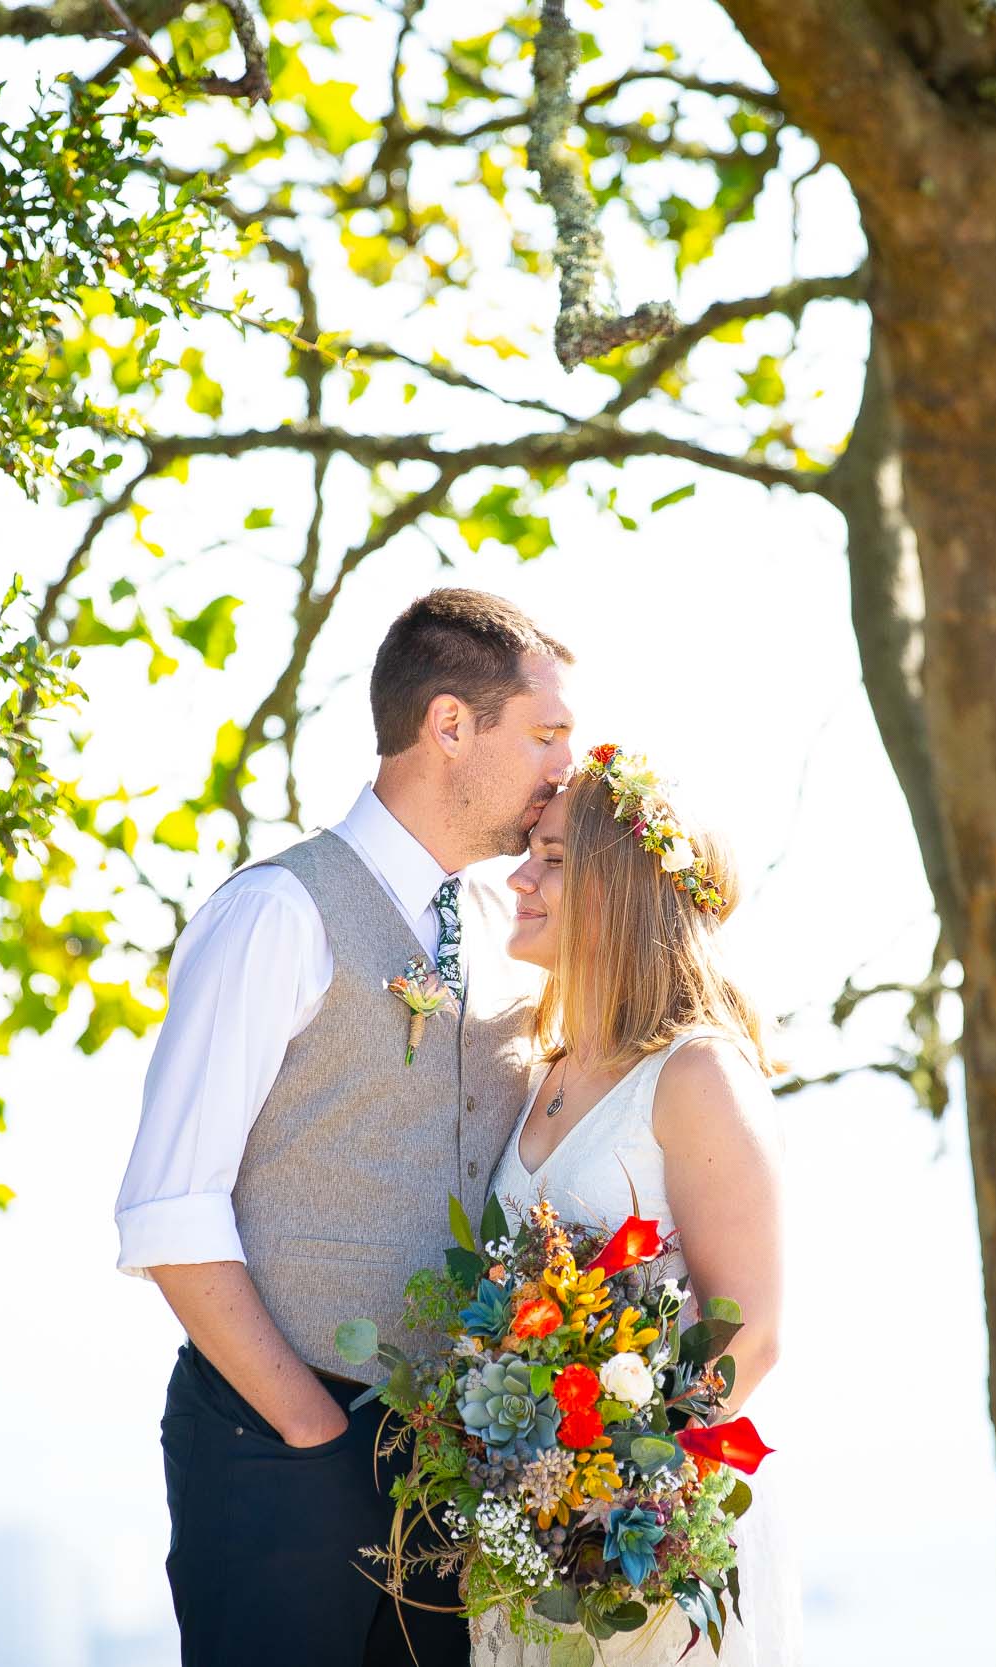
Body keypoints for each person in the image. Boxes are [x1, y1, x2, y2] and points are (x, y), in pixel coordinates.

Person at [114, 588, 576, 1667]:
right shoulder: (278, 910)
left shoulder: (496, 936)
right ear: (450, 725)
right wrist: (316, 1435)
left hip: (446, 1476)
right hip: (285, 1454)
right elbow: (167, 1208)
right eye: (546, 732)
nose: (565, 764)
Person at [479, 743, 802, 1665]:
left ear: (617, 887)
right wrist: (535, 1494)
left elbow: (754, 1332)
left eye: (548, 857)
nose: (519, 877)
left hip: (652, 1548)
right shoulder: (543, 1067)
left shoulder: (697, 1073)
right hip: (537, 1531)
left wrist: (620, 1495)